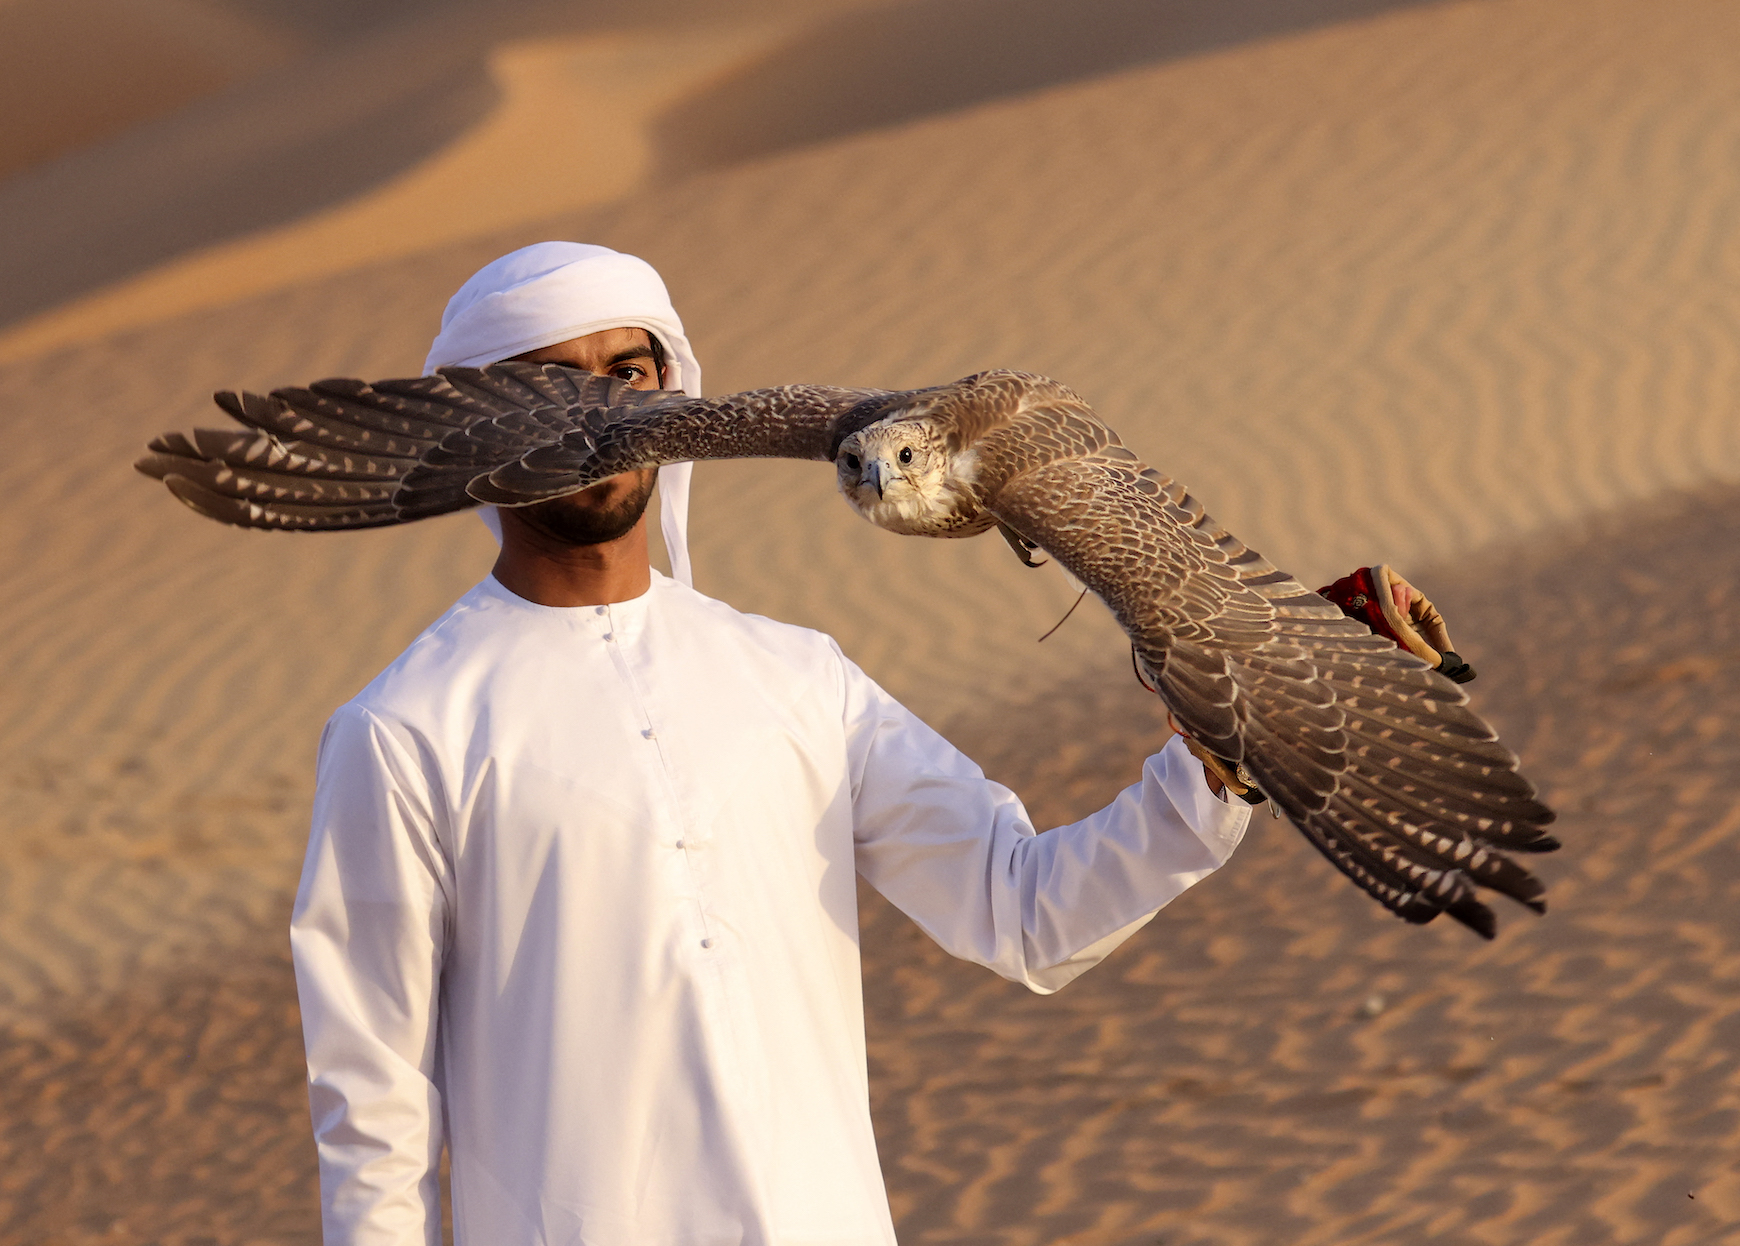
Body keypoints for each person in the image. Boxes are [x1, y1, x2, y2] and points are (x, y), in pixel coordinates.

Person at [290, 242, 1253, 1246]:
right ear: (475, 421)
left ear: (673, 392)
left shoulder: (795, 677)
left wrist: (1226, 755)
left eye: (628, 374)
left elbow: (1024, 909)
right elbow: (374, 1116)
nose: (599, 416)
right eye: (548, 385)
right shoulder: (403, 732)